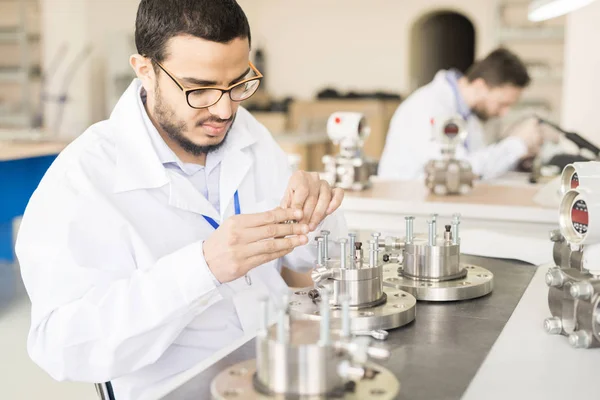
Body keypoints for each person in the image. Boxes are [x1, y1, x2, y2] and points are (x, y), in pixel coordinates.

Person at [15, 1, 346, 398]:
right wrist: (201, 268)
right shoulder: (83, 179)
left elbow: (309, 260)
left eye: (238, 83)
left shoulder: (247, 134)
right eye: (200, 89)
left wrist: (316, 216)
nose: (224, 109)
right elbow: (63, 347)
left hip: (280, 370)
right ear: (146, 71)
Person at [378, 48, 543, 181]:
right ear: (479, 86)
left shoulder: (468, 114)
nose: (504, 113)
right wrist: (517, 144)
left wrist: (522, 158)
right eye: (502, 104)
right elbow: (459, 171)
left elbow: (482, 167)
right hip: (406, 206)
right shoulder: (430, 106)